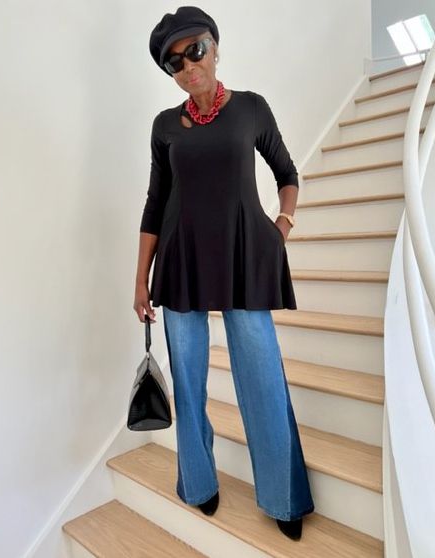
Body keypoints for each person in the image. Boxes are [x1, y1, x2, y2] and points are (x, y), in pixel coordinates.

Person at [133, 6, 314, 541]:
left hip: (243, 256)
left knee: (262, 378)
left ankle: (283, 497)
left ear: (215, 48)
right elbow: (155, 203)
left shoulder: (252, 108)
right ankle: (198, 482)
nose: (188, 65)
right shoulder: (165, 125)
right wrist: (140, 278)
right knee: (188, 383)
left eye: (195, 50)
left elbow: (287, 172)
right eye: (174, 61)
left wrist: (281, 226)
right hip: (180, 262)